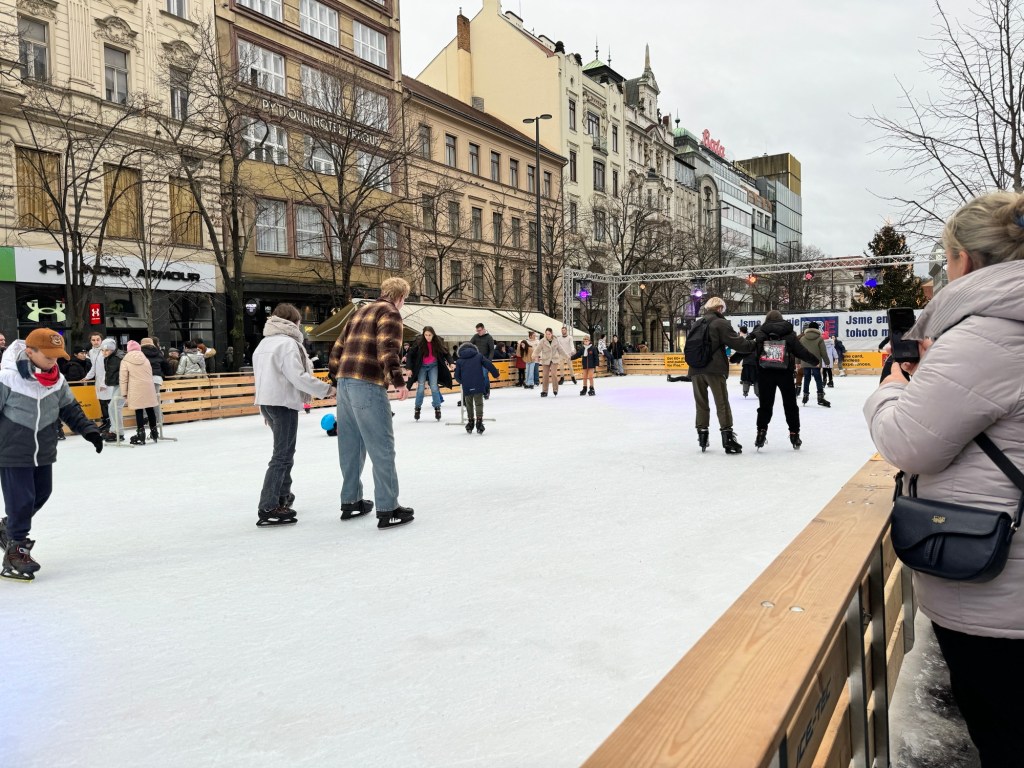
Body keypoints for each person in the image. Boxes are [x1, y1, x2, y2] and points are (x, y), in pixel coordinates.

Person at [863, 190, 1024, 766]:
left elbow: (909, 441)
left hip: (1001, 596)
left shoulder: (989, 334)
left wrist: (891, 387)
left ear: (965, 260)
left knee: (1005, 735)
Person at [0, 330, 103, 580]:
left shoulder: (57, 379)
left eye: (56, 356)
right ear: (30, 352)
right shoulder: (8, 377)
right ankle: (16, 551)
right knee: (21, 500)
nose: (53, 361)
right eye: (48, 356)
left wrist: (88, 430)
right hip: (13, 450)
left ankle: (7, 527)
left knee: (42, 494)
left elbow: (69, 407)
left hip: (44, 450)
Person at [328, 277, 414, 530]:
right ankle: (388, 508)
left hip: (345, 383)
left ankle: (351, 501)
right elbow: (388, 349)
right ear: (400, 297)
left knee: (350, 446)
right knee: (381, 446)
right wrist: (398, 381)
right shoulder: (390, 313)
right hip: (367, 383)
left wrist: (336, 379)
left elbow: (337, 349)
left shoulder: (359, 312)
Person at [253, 303, 335, 528]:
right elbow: (297, 376)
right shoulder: (288, 344)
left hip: (269, 401)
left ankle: (282, 495)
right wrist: (326, 390)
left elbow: (261, 377)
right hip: (282, 402)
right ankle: (268, 506)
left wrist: (264, 406)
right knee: (282, 455)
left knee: (285, 452)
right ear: (293, 322)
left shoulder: (264, 343)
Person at [686, 297, 754, 454]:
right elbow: (738, 344)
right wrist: (753, 344)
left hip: (695, 369)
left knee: (701, 403)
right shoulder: (720, 323)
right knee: (721, 402)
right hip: (714, 369)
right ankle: (728, 439)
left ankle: (702, 436)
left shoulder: (697, 323)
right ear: (720, 308)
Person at [748, 311, 819, 450]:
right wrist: (814, 361)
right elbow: (801, 351)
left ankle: (761, 432)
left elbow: (747, 347)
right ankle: (794, 434)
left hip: (765, 373)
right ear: (781, 319)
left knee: (765, 405)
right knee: (790, 404)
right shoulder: (789, 334)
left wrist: (735, 357)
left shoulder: (760, 333)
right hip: (785, 373)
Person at [404, 326, 453, 421]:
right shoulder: (419, 341)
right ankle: (417, 408)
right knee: (421, 387)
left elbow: (446, 353)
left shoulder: (437, 341)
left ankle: (437, 408)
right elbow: (410, 354)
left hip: (433, 366)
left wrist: (451, 362)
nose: (428, 337)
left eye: (429, 335)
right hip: (422, 367)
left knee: (434, 386)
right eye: (426, 335)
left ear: (433, 334)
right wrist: (409, 368)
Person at [119, 340, 159, 446]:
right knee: (150, 409)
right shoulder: (145, 359)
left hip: (135, 388)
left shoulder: (125, 360)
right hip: (148, 387)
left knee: (139, 410)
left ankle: (141, 434)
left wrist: (124, 392)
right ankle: (154, 432)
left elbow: (123, 379)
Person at [454, 341, 498, 434]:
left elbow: (457, 376)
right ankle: (479, 422)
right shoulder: (479, 356)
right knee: (479, 403)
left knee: (468, 404)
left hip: (467, 385)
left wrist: (463, 382)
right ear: (474, 349)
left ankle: (470, 423)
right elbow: (489, 364)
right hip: (478, 383)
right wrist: (496, 374)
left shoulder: (459, 361)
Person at [798, 322, 831, 407]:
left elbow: (798, 351)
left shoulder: (802, 338)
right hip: (816, 362)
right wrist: (827, 362)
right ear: (817, 329)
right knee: (818, 379)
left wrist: (797, 362)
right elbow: (823, 352)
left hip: (805, 362)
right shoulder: (820, 338)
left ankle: (805, 396)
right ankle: (820, 396)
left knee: (807, 379)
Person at [100, 338, 126, 442]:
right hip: (117, 384)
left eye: (107, 350)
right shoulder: (109, 358)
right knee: (113, 407)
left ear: (112, 349)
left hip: (122, 384)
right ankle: (116, 431)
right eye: (102, 350)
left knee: (114, 406)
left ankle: (117, 432)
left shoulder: (119, 357)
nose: (104, 352)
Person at [81, 332, 108, 430]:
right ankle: (105, 421)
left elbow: (107, 368)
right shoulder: (91, 352)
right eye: (93, 340)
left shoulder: (105, 351)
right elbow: (94, 367)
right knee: (102, 402)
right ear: (90, 341)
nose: (96, 342)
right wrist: (87, 377)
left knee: (107, 402)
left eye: (98, 340)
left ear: (101, 340)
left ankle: (110, 422)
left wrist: (104, 383)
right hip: (98, 380)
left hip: (107, 380)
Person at [535, 327, 568, 397]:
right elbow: (538, 349)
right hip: (545, 359)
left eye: (549, 334)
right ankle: (544, 391)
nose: (548, 335)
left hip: (554, 359)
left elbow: (560, 349)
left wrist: (566, 356)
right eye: (546, 334)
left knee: (553, 374)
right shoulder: (542, 341)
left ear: (552, 334)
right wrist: (534, 355)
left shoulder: (556, 340)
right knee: (545, 375)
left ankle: (555, 389)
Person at [469, 323, 495, 399]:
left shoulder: (489, 337)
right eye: (477, 331)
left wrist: (489, 360)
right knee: (477, 377)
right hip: (476, 360)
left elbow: (492, 350)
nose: (478, 332)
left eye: (479, 330)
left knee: (484, 375)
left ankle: (486, 392)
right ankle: (480, 391)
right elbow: (469, 345)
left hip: (485, 360)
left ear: (483, 329)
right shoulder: (475, 336)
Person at [735, 325, 759, 398]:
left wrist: (738, 359)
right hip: (755, 362)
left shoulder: (748, 338)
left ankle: (745, 391)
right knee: (756, 378)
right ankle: (757, 392)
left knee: (746, 377)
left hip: (747, 362)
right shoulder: (759, 338)